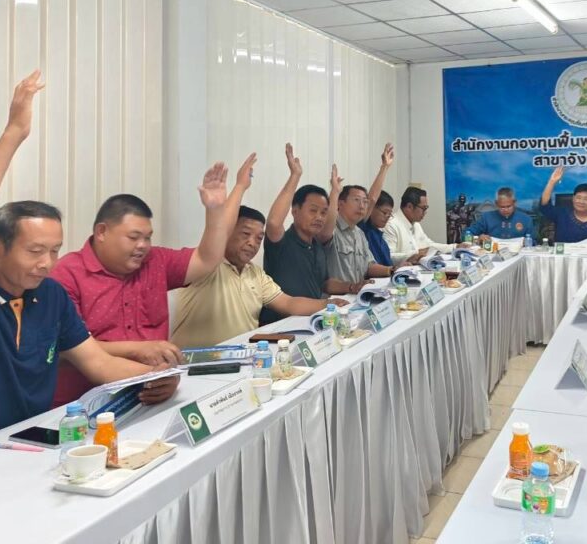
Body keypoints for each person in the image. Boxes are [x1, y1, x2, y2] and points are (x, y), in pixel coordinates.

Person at [0, 72, 178, 460]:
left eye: (55, 250)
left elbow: (99, 363)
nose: (47, 263)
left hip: (32, 451)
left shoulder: (51, 296)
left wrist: (161, 377)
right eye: (35, 250)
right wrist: (14, 134)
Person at [49, 154, 256, 405]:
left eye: (147, 237)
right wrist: (142, 352)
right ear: (102, 232)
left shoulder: (155, 261)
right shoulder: (66, 274)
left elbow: (206, 259)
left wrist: (214, 211)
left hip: (154, 393)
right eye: (134, 237)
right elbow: (67, 351)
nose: (143, 245)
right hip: (84, 406)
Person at [171, 206, 348, 348]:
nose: (252, 243)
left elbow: (288, 303)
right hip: (195, 366)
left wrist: (327, 304)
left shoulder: (255, 273)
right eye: (245, 234)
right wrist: (240, 185)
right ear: (227, 232)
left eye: (258, 238)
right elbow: (217, 227)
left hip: (243, 359)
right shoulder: (205, 266)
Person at [261, 144, 368, 324]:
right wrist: (295, 176)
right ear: (295, 211)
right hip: (279, 326)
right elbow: (273, 222)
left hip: (314, 321)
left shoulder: (317, 245)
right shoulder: (281, 242)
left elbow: (324, 283)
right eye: (313, 210)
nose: (319, 217)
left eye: (323, 212)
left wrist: (352, 287)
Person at [327, 144, 397, 282]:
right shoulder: (331, 230)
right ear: (340, 203)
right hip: (338, 294)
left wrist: (393, 270)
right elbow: (373, 198)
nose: (362, 205)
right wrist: (334, 192)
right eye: (357, 200)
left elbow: (368, 266)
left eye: (364, 202)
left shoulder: (359, 233)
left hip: (359, 292)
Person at [538, 168, 587, 243]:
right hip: (564, 252)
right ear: (573, 199)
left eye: (586, 199)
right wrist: (552, 182)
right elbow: (544, 206)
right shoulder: (562, 214)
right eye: (578, 198)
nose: (581, 202)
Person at [384, 186, 454, 264]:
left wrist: (454, 247)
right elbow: (388, 256)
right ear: (409, 207)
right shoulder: (390, 225)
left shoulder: (416, 224)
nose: (425, 212)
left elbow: (429, 245)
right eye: (423, 208)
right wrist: (414, 254)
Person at [464, 187, 536, 242]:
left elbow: (534, 242)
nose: (506, 210)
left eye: (509, 206)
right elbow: (466, 234)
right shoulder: (486, 218)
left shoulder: (526, 219)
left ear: (514, 202)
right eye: (502, 207)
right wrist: (478, 238)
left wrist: (527, 242)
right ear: (496, 203)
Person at [360, 190, 397, 267]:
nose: (387, 217)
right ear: (372, 208)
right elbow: (372, 199)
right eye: (385, 213)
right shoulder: (363, 229)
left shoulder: (382, 239)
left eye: (389, 214)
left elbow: (388, 266)